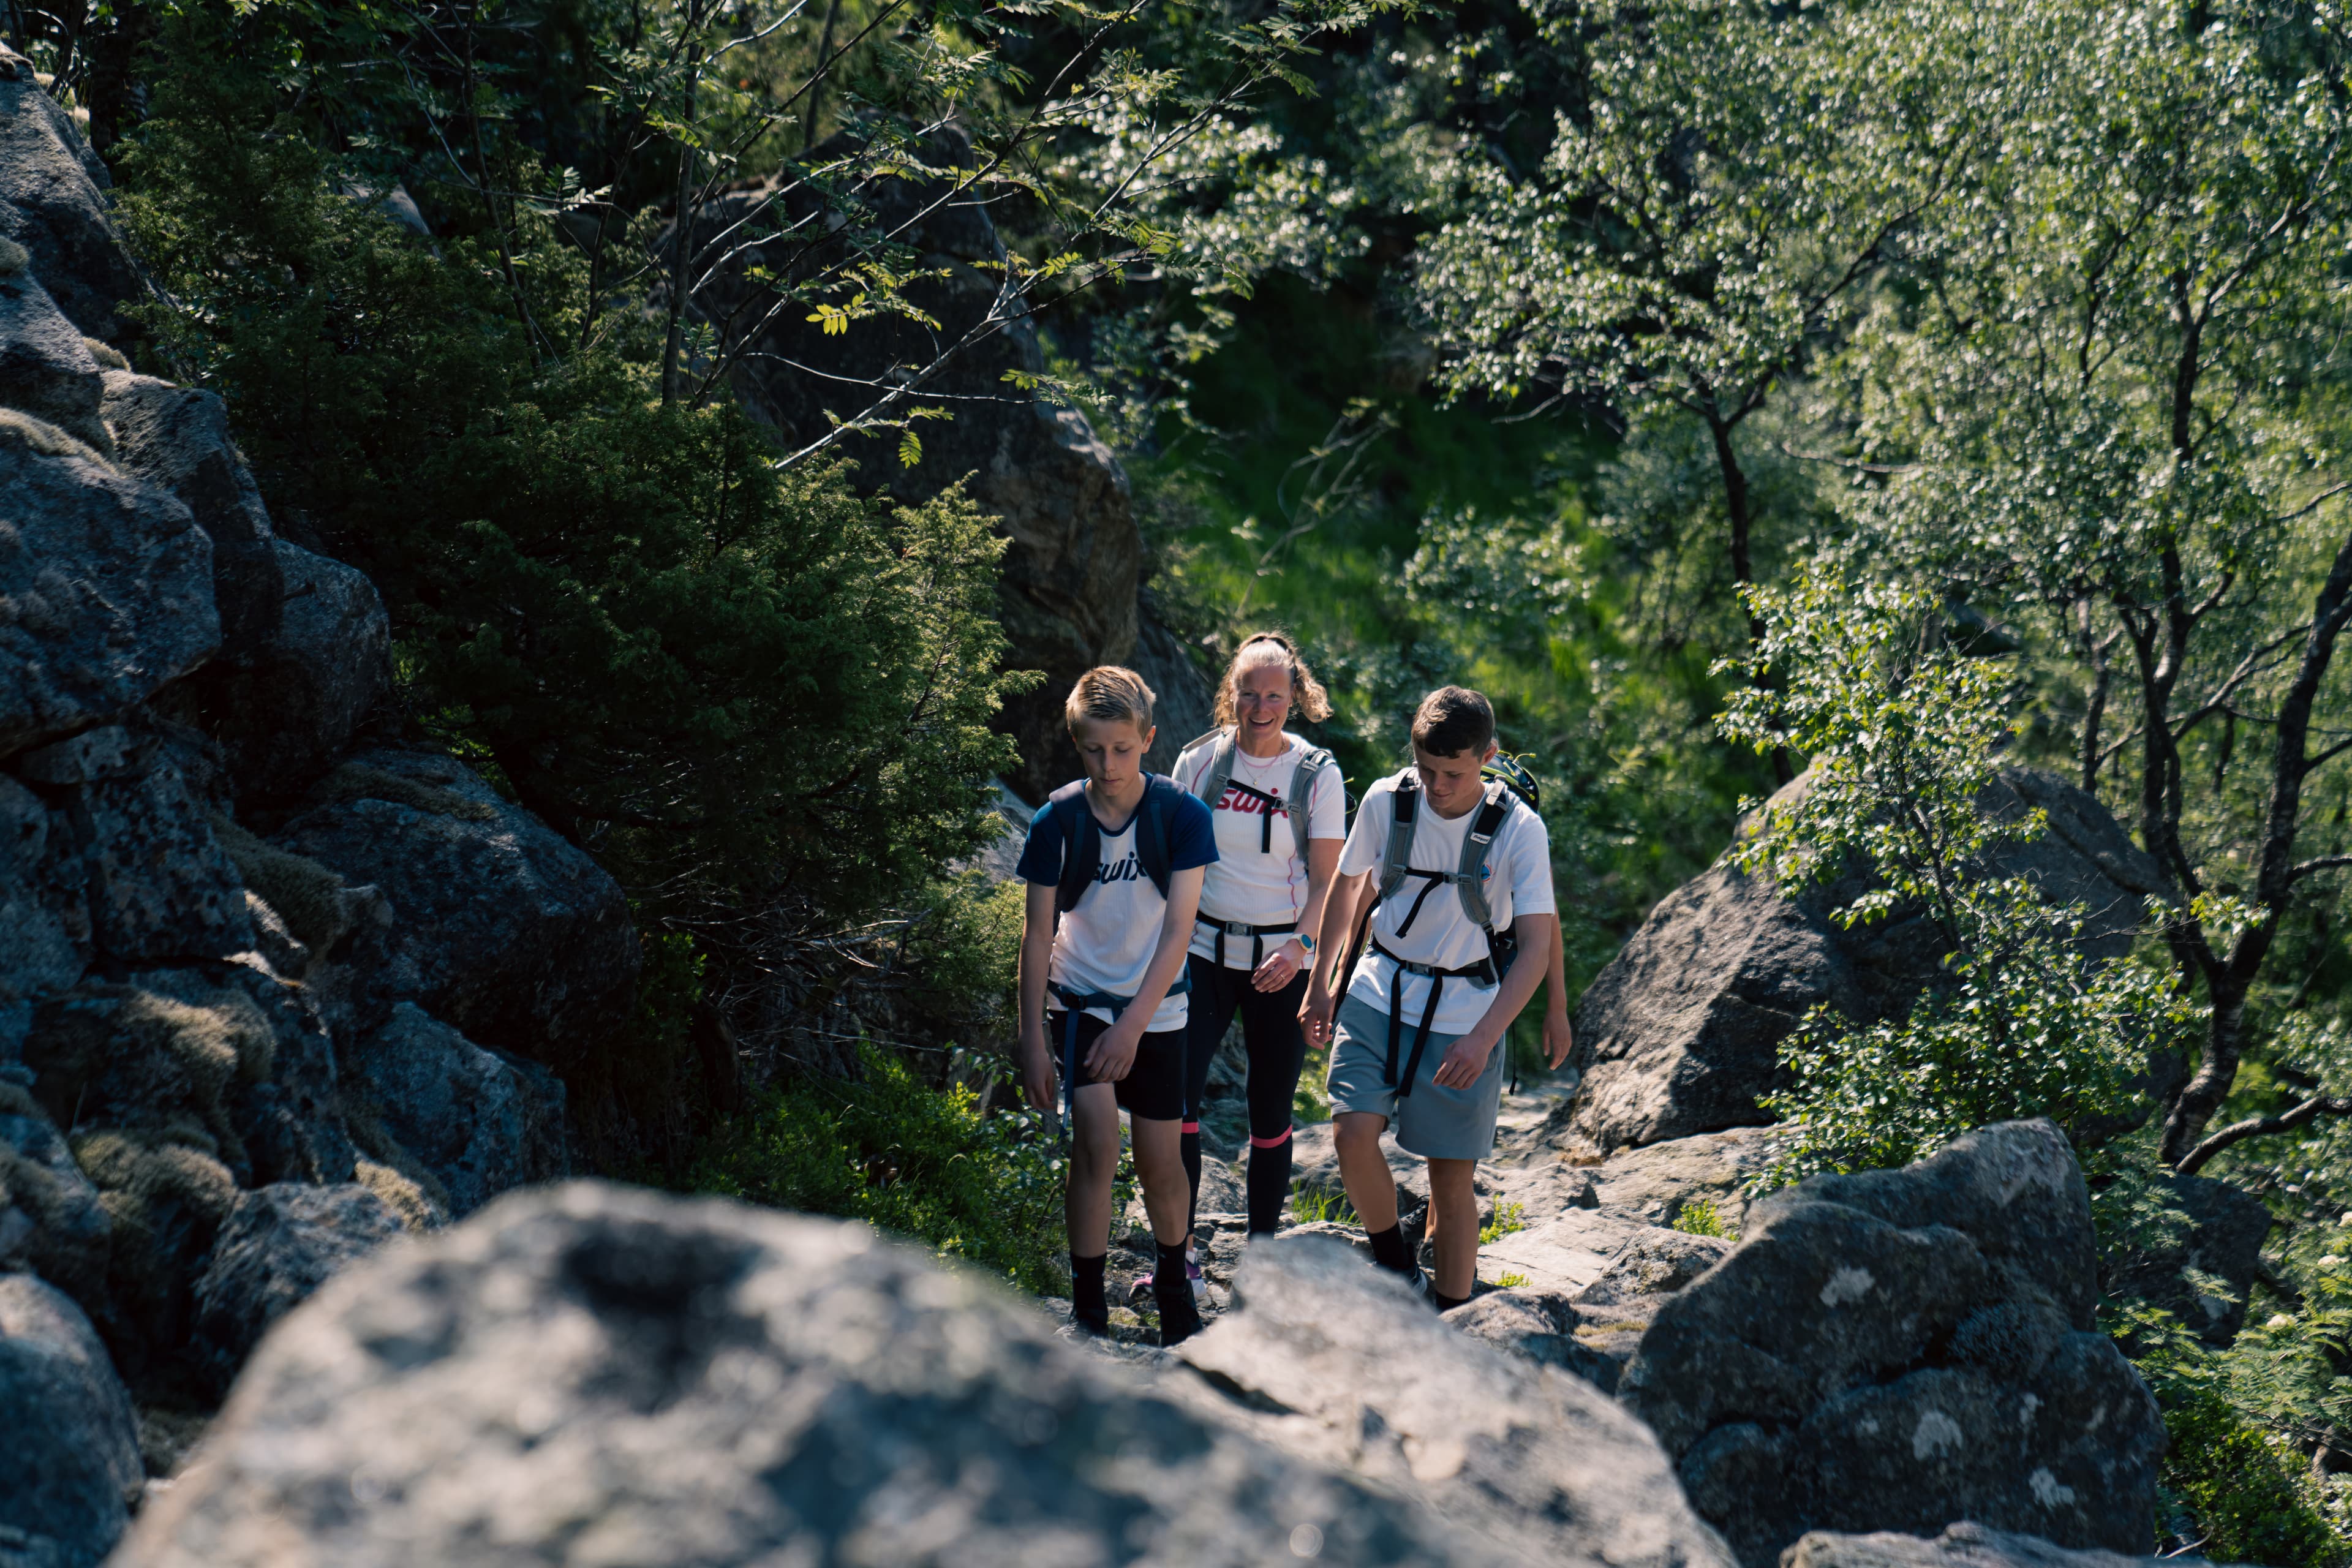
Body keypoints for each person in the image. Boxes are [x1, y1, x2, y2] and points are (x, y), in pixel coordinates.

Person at [1300, 685, 1572, 1310]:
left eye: (1453, 774)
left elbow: (1536, 943)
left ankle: (1453, 1315)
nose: (1437, 787)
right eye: (1426, 770)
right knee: (1350, 1133)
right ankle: (1399, 1270)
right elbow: (1347, 889)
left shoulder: (1519, 829)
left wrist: (1484, 1038)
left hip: (1466, 1011)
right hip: (1378, 988)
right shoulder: (1387, 800)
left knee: (1450, 1180)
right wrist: (1321, 984)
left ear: (1488, 756)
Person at [1017, 666, 1217, 1345]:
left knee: (1162, 1164)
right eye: (1095, 749)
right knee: (1096, 1146)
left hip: (1156, 1008)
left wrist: (1133, 1026)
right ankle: (1088, 1311)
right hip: (1078, 1001)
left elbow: (1179, 931)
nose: (1109, 765)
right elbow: (1037, 935)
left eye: (1123, 749)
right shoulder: (1056, 822)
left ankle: (1174, 1289)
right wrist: (1033, 1041)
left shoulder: (1181, 817)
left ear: (1149, 740)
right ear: (1076, 742)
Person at [1170, 633, 1348, 1281]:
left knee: (1270, 1109)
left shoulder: (1316, 775)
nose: (1261, 707)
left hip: (1283, 959)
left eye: (1275, 695)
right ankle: (1180, 1252)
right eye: (1249, 693)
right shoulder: (1199, 762)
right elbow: (1173, 859)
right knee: (1178, 1102)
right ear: (1233, 694)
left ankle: (1262, 1260)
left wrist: (1302, 950)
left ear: (1295, 697)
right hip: (1202, 952)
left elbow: (1329, 882)